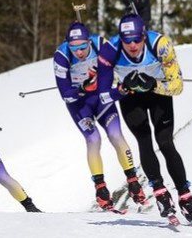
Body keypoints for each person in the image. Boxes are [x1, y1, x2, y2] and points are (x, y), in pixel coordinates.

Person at [96, 13, 192, 223]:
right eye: (127, 41)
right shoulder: (110, 50)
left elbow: (177, 86)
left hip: (158, 95)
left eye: (137, 39)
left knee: (165, 142)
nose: (133, 45)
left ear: (144, 36)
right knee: (144, 141)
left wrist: (153, 85)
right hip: (131, 98)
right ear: (120, 39)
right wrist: (122, 89)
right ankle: (160, 191)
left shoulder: (161, 44)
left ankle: (185, 197)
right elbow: (103, 95)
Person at [53, 21, 146, 210]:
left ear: (89, 42)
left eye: (82, 47)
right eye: (74, 48)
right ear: (67, 45)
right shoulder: (61, 56)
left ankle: (133, 180)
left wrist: (121, 87)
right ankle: (100, 188)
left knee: (115, 135)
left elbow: (112, 76)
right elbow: (65, 95)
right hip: (80, 104)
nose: (79, 52)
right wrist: (82, 88)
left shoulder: (101, 44)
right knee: (93, 139)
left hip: (101, 99)